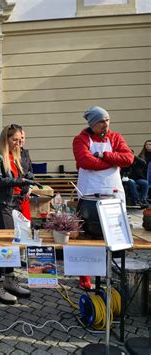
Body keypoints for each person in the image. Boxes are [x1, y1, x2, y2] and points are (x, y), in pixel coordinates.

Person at [72, 106, 133, 289]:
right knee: (87, 236)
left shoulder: (115, 137)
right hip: (89, 193)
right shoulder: (80, 139)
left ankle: (111, 271)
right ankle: (85, 277)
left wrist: (104, 155)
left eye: (107, 120)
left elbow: (128, 158)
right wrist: (112, 162)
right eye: (101, 121)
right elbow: (85, 161)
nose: (105, 124)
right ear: (93, 124)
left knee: (113, 234)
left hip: (113, 193)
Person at [0, 124, 36, 304]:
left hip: (17, 203)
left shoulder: (22, 153)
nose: (18, 144)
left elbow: (30, 173)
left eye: (21, 140)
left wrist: (26, 186)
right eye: (15, 140)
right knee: (3, 245)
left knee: (15, 243)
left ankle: (9, 279)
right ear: (6, 139)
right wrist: (20, 181)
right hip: (2, 204)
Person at [19, 130, 34, 221]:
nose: (21, 140)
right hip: (12, 197)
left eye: (22, 138)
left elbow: (30, 171)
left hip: (24, 195)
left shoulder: (25, 153)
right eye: (17, 138)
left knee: (25, 223)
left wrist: (31, 186)